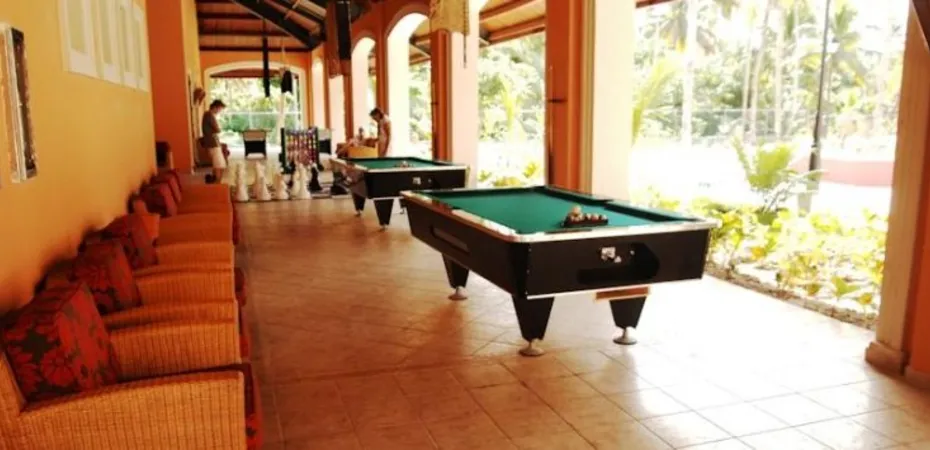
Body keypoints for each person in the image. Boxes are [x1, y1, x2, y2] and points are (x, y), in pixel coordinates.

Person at [201, 99, 226, 182]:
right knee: (219, 165)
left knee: (218, 165)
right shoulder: (209, 115)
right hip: (212, 143)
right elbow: (217, 129)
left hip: (213, 143)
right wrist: (217, 129)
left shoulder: (208, 115)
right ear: (215, 107)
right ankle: (218, 184)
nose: (219, 111)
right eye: (220, 109)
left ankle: (215, 182)